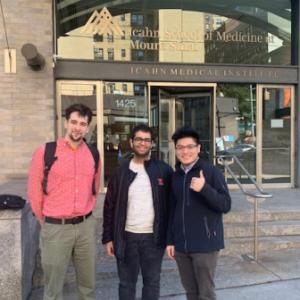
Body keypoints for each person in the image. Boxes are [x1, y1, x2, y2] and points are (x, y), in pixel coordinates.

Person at [28, 103, 100, 300]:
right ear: (66, 123)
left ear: (87, 127)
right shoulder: (45, 151)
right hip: (56, 228)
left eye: (82, 123)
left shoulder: (93, 153)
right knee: (53, 289)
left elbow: (94, 187)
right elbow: (34, 191)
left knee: (88, 287)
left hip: (85, 226)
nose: (78, 127)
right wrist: (46, 221)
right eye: (74, 122)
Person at [102, 124, 173, 300]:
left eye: (147, 140)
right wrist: (108, 237)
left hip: (153, 238)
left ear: (152, 144)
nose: (143, 143)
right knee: (126, 284)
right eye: (139, 139)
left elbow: (172, 206)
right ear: (131, 142)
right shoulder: (121, 172)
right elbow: (109, 206)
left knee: (152, 283)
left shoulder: (163, 170)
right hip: (126, 237)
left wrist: (172, 238)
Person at [166, 127, 231, 300]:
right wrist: (171, 240)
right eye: (180, 147)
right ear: (176, 149)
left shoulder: (211, 172)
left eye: (190, 146)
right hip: (181, 245)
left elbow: (225, 205)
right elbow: (172, 209)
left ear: (199, 148)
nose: (185, 151)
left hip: (205, 245)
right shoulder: (176, 175)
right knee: (190, 292)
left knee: (206, 294)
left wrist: (204, 189)